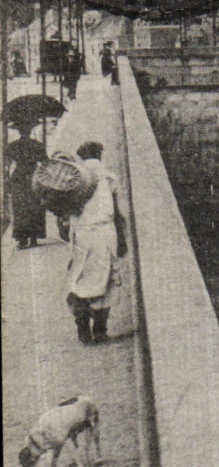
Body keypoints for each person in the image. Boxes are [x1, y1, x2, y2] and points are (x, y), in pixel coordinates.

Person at [64, 141, 126, 344]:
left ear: (81, 158)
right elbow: (118, 212)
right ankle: (100, 329)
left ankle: (82, 324)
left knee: (80, 276)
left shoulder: (72, 180)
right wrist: (122, 238)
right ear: (99, 155)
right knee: (105, 278)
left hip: (81, 234)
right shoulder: (108, 178)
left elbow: (65, 214)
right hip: (105, 232)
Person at [5, 133, 49, 249]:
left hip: (18, 177)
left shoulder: (12, 145)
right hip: (33, 176)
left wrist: (7, 180)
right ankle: (33, 237)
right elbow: (46, 162)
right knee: (34, 205)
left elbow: (7, 165)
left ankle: (22, 239)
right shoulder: (38, 145)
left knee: (20, 207)